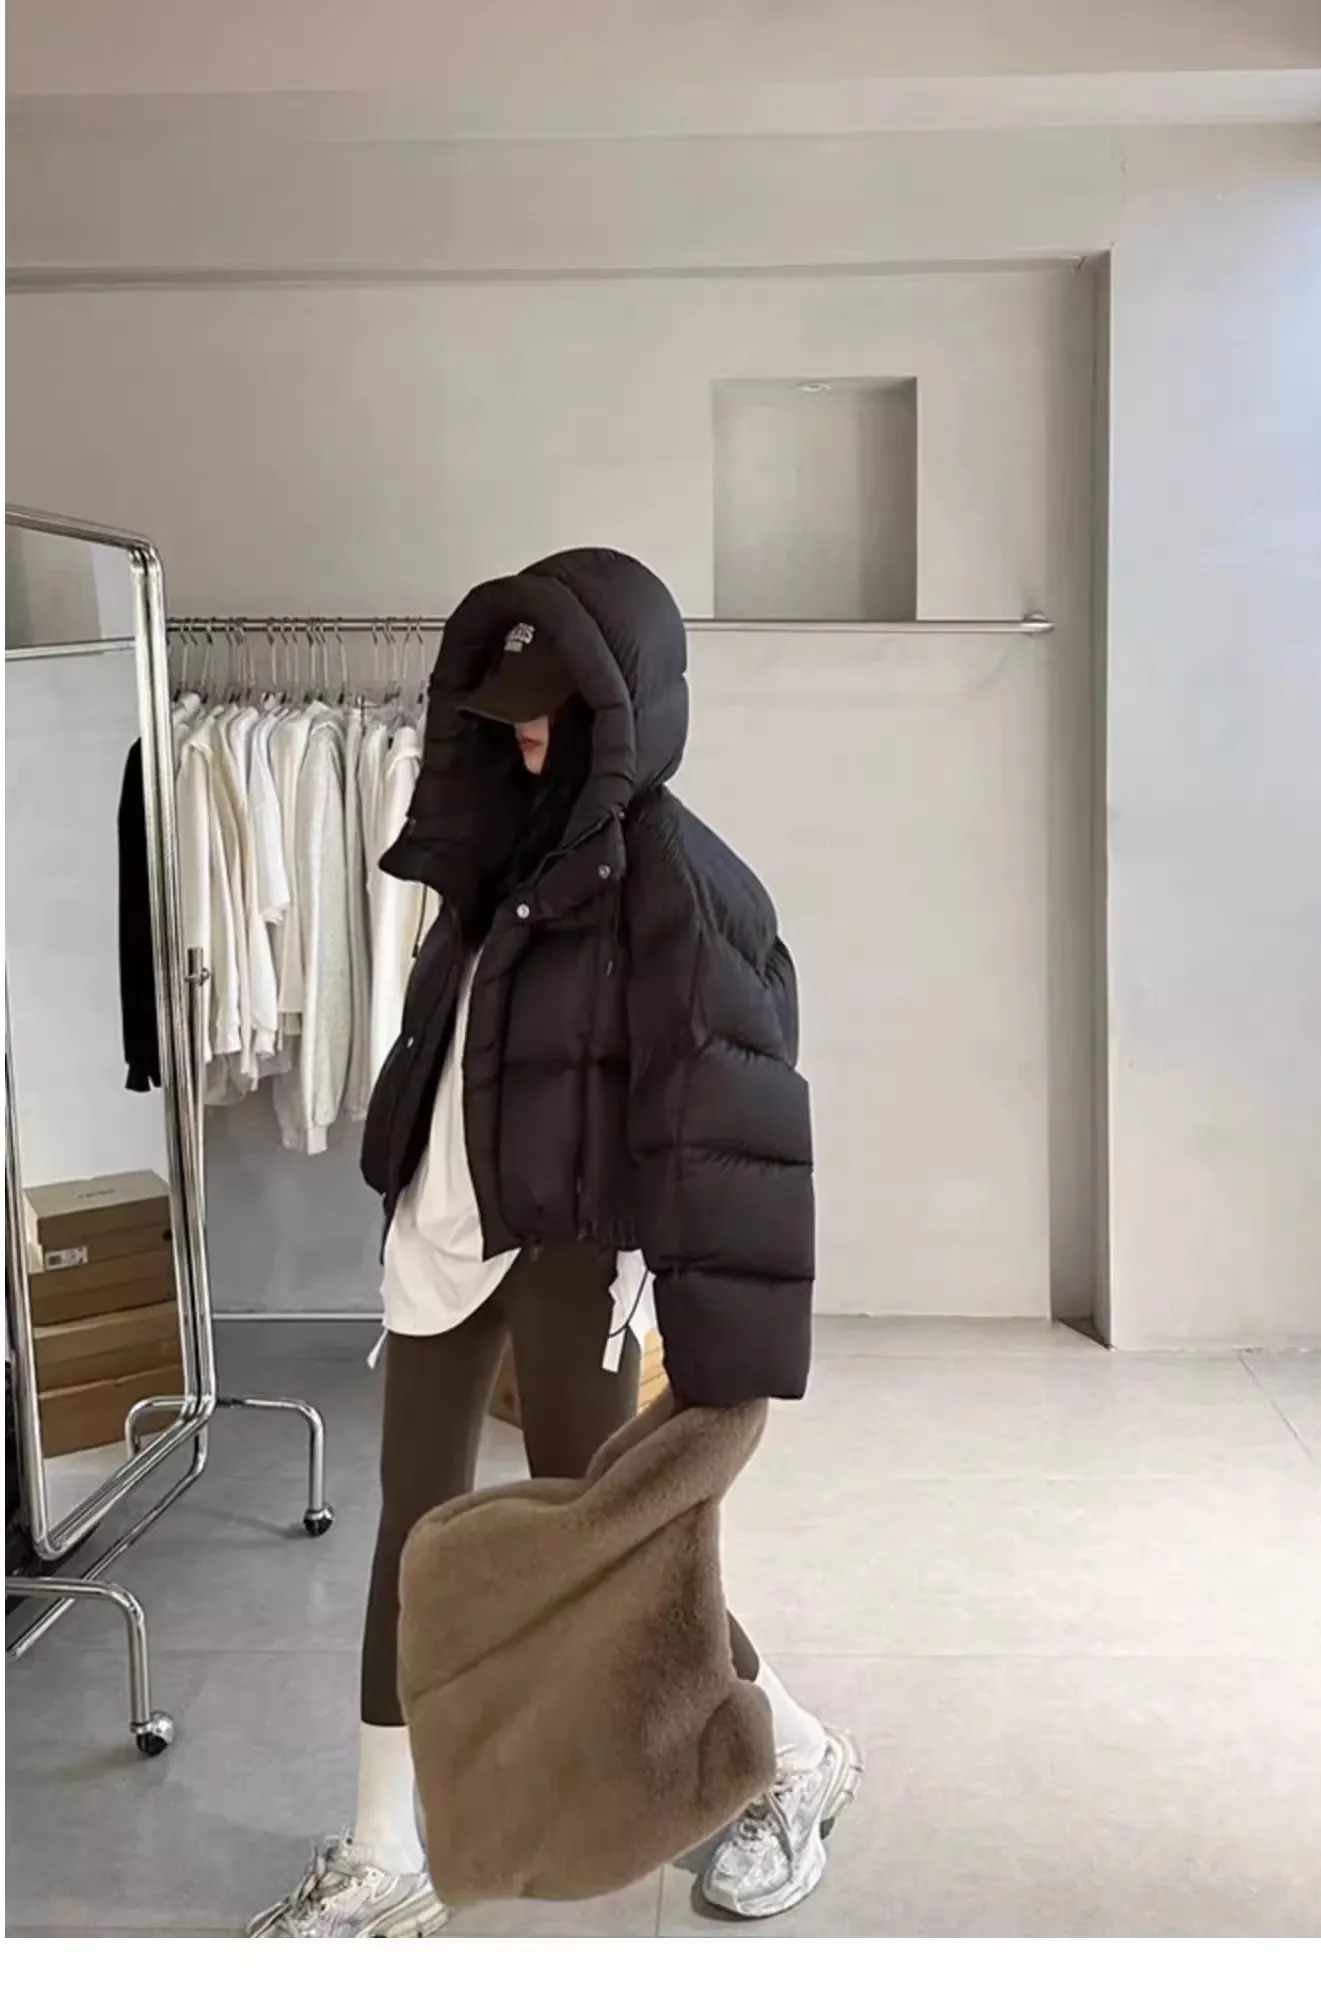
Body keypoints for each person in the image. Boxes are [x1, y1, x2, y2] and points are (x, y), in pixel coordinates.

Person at [251, 549, 860, 1937]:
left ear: (624, 703)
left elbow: (731, 1110)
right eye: (512, 711)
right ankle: (382, 1850)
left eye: (556, 710)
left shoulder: (683, 882)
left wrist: (714, 1334)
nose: (528, 733)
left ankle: (794, 1759)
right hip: (445, 1233)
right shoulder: (496, 845)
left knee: (618, 1543)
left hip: (576, 1249)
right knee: (415, 1530)